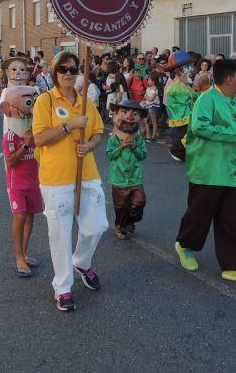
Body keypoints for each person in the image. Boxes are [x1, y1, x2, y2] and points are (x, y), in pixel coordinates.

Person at [175, 59, 236, 286]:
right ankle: (185, 246)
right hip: (207, 170)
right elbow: (199, 127)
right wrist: (234, 134)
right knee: (199, 215)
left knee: (232, 219)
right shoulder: (206, 99)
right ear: (230, 79)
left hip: (232, 170)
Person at [32, 51, 107, 312]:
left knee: (96, 226)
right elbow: (39, 139)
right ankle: (63, 287)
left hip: (87, 173)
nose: (68, 73)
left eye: (72, 69)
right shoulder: (45, 101)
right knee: (61, 234)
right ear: (54, 74)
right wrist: (69, 125)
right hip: (56, 178)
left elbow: (98, 133)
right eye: (62, 69)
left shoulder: (86, 101)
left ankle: (82, 262)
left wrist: (89, 145)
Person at [1, 80, 41, 278]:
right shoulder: (10, 135)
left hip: (34, 180)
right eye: (29, 102)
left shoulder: (35, 129)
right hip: (16, 182)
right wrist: (25, 145)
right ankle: (18, 256)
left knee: (31, 216)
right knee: (20, 217)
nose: (33, 106)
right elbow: (10, 161)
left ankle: (25, 253)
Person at [107, 100, 147, 240]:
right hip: (118, 179)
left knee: (139, 202)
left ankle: (130, 221)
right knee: (121, 207)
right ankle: (121, 226)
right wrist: (121, 147)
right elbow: (110, 155)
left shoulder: (139, 140)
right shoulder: (113, 140)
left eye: (135, 114)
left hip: (135, 178)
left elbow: (143, 156)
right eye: (124, 112)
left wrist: (134, 147)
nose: (129, 116)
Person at [164, 51, 198, 162]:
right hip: (184, 118)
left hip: (188, 117)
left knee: (188, 136)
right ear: (178, 71)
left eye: (191, 66)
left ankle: (180, 152)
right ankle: (177, 151)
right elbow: (184, 104)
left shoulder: (184, 86)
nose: (192, 70)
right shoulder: (176, 88)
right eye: (188, 67)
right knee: (187, 136)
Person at [140, 73, 161, 141]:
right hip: (147, 106)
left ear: (153, 81)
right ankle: (148, 135)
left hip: (153, 106)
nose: (148, 81)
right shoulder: (148, 88)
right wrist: (147, 97)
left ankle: (153, 136)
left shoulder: (155, 89)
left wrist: (146, 97)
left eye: (149, 80)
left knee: (153, 121)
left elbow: (150, 99)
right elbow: (145, 97)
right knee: (145, 120)